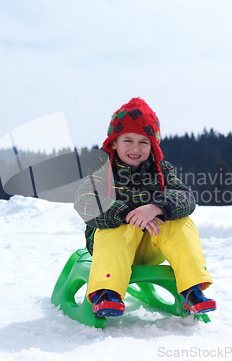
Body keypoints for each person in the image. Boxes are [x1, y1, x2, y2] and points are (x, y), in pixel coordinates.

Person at [74, 97, 216, 317]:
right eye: (127, 140)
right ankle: (107, 292)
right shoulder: (102, 171)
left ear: (153, 146)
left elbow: (185, 196)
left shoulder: (161, 170)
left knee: (180, 221)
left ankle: (192, 290)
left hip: (151, 245)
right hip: (113, 249)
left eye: (143, 142)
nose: (135, 148)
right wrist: (126, 214)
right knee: (117, 228)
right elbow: (86, 200)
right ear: (113, 143)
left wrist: (156, 208)